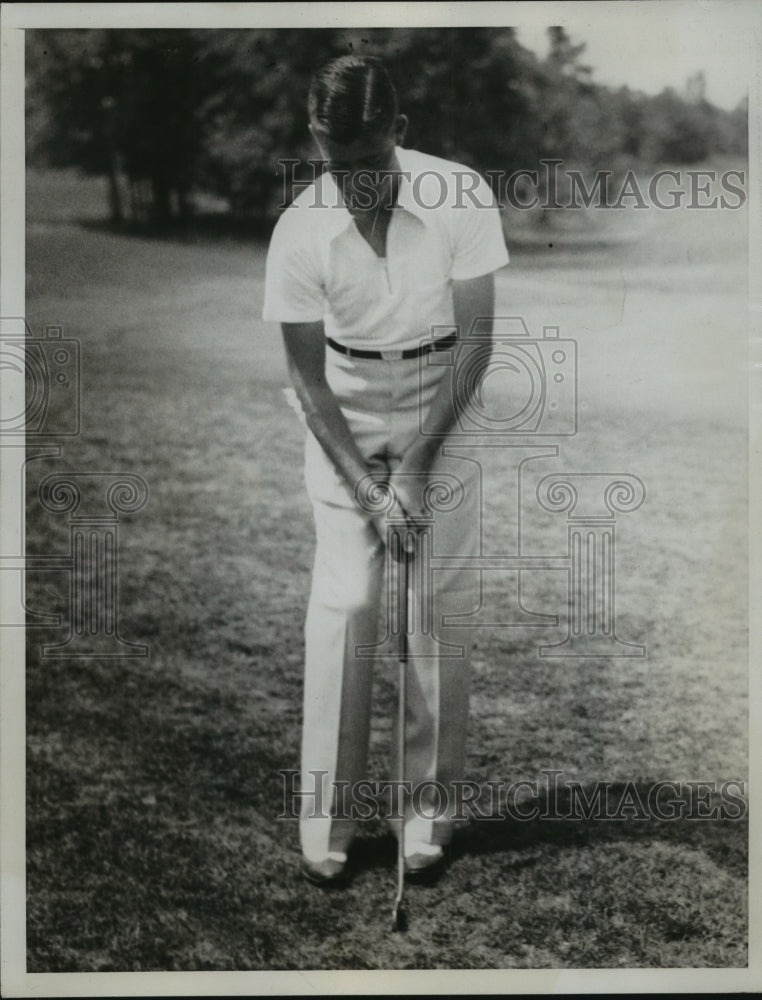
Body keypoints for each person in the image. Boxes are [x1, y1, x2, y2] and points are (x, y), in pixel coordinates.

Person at [262, 54, 509, 884]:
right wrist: (373, 490)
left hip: (444, 395)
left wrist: (417, 466)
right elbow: (306, 378)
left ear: (399, 134)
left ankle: (426, 819)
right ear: (316, 142)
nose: (358, 182)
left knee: (434, 605)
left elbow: (476, 346)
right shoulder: (300, 228)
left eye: (371, 162)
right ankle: (326, 828)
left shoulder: (461, 195)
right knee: (351, 598)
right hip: (347, 405)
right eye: (340, 165)